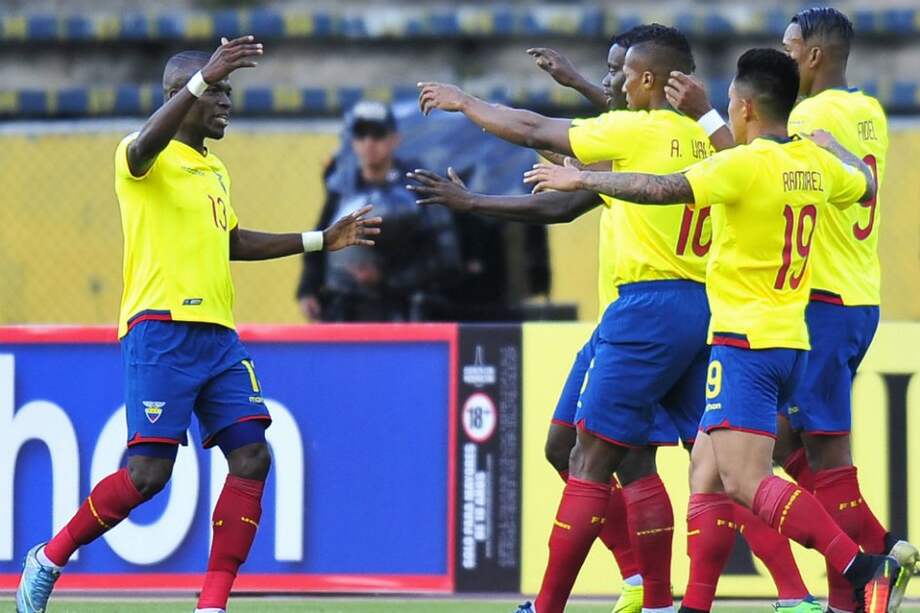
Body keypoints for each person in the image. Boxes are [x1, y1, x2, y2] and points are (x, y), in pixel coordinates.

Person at [416, 25, 814, 613]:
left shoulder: (634, 132)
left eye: (623, 72)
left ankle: (553, 604)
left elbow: (533, 129)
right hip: (705, 307)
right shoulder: (720, 141)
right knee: (709, 464)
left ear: (649, 79)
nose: (616, 82)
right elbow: (573, 184)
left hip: (645, 310)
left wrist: (463, 101)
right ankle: (738, 593)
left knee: (591, 457)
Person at [521, 47, 907, 613]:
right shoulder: (816, 164)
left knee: (747, 481)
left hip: (744, 342)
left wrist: (579, 175)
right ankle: (695, 606)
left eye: (729, 101)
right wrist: (838, 150)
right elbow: (867, 188)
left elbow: (662, 189)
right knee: (707, 473)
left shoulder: (742, 166)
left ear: (746, 107)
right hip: (791, 338)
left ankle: (860, 566)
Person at [16, 37, 381, 613]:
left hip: (218, 337)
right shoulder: (140, 159)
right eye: (219, 93)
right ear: (184, 97)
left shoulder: (214, 170)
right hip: (160, 331)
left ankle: (211, 604)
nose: (227, 105)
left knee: (253, 456)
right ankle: (49, 558)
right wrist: (200, 77)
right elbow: (142, 147)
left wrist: (319, 240)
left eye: (228, 93)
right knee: (147, 475)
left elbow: (231, 240)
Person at [666, 8, 919, 611]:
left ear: (810, 56)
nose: (781, 57)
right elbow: (857, 183)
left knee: (813, 460)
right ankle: (878, 552)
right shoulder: (870, 113)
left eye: (787, 47)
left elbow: (754, 170)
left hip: (817, 303)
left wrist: (704, 113)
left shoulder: (805, 117)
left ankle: (862, 577)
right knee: (737, 456)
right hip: (858, 295)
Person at [296, 100, 459, 322]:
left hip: (405, 309)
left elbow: (445, 255)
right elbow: (321, 239)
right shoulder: (341, 188)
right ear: (353, 142)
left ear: (395, 139)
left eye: (378, 134)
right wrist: (307, 290)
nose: (369, 143)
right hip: (345, 308)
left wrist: (385, 279)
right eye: (361, 135)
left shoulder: (418, 185)